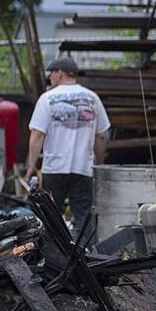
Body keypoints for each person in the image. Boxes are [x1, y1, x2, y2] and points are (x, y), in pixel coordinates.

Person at [24, 57, 110, 229]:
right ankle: (85, 254)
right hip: (83, 169)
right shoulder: (93, 99)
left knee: (51, 218)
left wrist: (31, 167)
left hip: (54, 169)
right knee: (84, 217)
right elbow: (102, 136)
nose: (50, 78)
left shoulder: (47, 98)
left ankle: (53, 254)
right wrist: (98, 164)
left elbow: (37, 135)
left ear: (60, 73)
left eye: (52, 74)